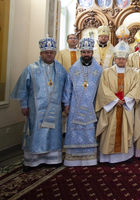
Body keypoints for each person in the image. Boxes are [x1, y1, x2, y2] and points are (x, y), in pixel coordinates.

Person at [11, 37, 68, 171]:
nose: (49, 54)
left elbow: (67, 88)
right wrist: (24, 104)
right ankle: (33, 162)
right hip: (36, 110)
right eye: (46, 52)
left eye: (51, 52)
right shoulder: (31, 69)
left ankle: (53, 159)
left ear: (55, 53)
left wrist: (66, 103)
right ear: (41, 53)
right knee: (36, 133)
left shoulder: (61, 70)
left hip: (54, 110)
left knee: (53, 133)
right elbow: (23, 88)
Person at [95, 41, 140, 164]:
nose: (121, 61)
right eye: (119, 58)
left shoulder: (133, 73)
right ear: (114, 59)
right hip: (112, 107)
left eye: (123, 59)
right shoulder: (106, 72)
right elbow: (103, 89)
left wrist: (126, 100)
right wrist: (115, 100)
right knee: (109, 130)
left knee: (126, 129)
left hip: (125, 107)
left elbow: (136, 88)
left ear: (126, 60)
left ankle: (125, 156)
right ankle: (108, 157)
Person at [63, 37, 102, 166]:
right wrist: (66, 104)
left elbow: (102, 90)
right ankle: (72, 159)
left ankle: (89, 159)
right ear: (81, 53)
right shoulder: (73, 69)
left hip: (91, 106)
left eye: (88, 52)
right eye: (84, 52)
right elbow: (68, 88)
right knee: (75, 130)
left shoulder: (99, 70)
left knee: (90, 131)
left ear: (92, 53)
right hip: (75, 106)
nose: (86, 54)